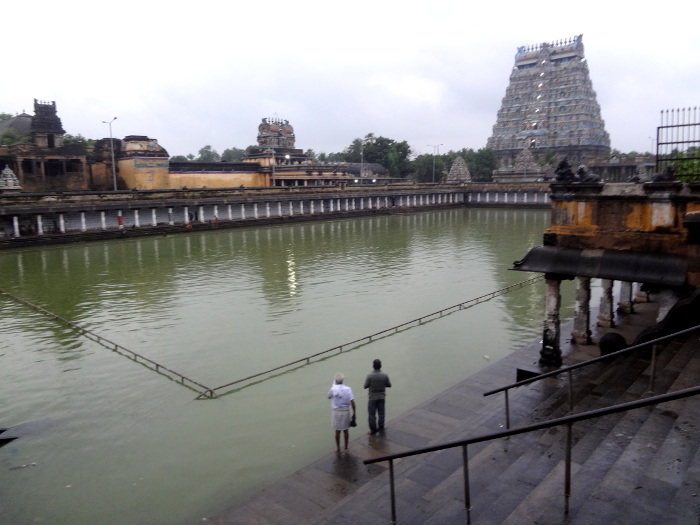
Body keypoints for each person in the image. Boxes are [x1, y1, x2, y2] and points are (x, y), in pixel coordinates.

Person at [327, 372, 356, 453]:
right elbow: (352, 402)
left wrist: (333, 386)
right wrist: (354, 413)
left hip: (336, 412)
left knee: (337, 431)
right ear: (343, 380)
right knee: (346, 430)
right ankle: (346, 447)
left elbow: (328, 396)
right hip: (345, 411)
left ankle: (338, 448)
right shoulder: (348, 389)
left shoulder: (333, 389)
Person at [364, 359, 391, 435]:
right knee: (381, 413)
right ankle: (381, 427)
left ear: (373, 366)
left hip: (372, 397)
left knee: (372, 415)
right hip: (382, 396)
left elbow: (365, 386)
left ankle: (373, 430)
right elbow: (389, 385)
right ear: (380, 366)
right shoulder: (384, 375)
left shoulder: (369, 376)